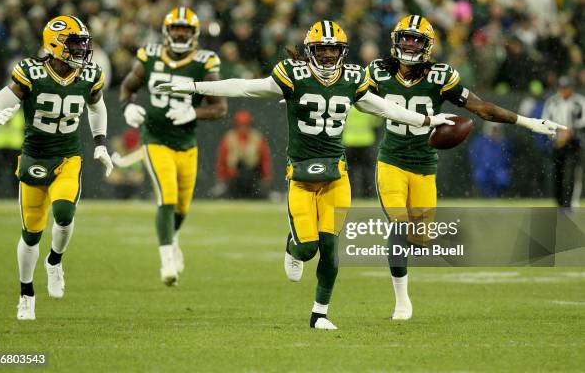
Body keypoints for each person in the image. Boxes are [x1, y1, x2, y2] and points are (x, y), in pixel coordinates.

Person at [157, 20, 455, 329]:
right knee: (307, 247)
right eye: (321, 50)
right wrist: (194, 86)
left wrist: (427, 119)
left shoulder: (352, 78)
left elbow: (386, 108)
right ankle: (293, 246)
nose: (327, 56)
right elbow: (244, 86)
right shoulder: (293, 75)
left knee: (330, 247)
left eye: (333, 50)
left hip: (336, 175)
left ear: (343, 52)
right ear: (309, 51)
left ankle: (319, 314)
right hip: (300, 174)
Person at [366, 15, 565, 321]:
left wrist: (529, 122)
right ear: (395, 40)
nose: (409, 44)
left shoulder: (440, 76)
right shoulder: (377, 71)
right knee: (399, 227)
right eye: (405, 38)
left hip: (423, 165)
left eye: (416, 40)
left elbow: (482, 108)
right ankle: (402, 300)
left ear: (427, 46)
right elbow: (349, 95)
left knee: (418, 239)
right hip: (391, 161)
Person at [0, 15, 113, 320]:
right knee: (31, 233)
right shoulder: (31, 73)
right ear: (56, 43)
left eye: (83, 42)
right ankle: (26, 293)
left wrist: (101, 143)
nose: (82, 49)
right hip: (33, 159)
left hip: (67, 158)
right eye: (75, 42)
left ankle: (54, 261)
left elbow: (97, 106)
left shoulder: (89, 75)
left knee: (65, 214)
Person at [119, 7, 227, 286]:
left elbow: (219, 108)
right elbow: (128, 86)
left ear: (194, 34)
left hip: (186, 142)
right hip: (154, 138)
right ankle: (167, 260)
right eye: (176, 29)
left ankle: (172, 237)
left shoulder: (204, 62)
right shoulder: (150, 56)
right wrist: (128, 106)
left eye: (186, 30)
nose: (180, 34)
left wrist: (194, 113)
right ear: (167, 32)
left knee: (182, 207)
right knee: (166, 197)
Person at [542, 76, 585, 208]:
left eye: (567, 87)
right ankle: (559, 202)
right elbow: (545, 121)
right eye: (562, 88)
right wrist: (557, 135)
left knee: (572, 172)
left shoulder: (579, 101)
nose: (564, 91)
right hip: (557, 141)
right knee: (557, 173)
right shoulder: (552, 101)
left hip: (574, 141)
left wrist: (570, 132)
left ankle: (570, 202)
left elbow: (583, 121)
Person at [215, 110, 272, 199]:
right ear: (236, 125)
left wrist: (266, 177)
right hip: (233, 179)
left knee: (259, 195)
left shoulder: (257, 138)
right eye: (240, 125)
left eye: (246, 125)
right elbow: (221, 161)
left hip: (252, 178)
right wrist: (221, 178)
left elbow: (265, 160)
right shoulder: (229, 137)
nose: (243, 128)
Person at [468, 122, 512, 197]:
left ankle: (497, 196)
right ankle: (487, 196)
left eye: (496, 129)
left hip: (499, 169)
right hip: (483, 169)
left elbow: (509, 156)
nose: (494, 131)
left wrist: (502, 166)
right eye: (493, 129)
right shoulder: (480, 141)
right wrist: (480, 165)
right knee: (480, 176)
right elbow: (473, 155)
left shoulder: (504, 142)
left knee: (503, 178)